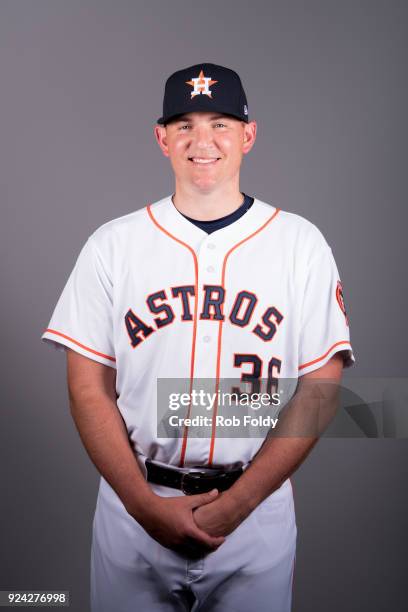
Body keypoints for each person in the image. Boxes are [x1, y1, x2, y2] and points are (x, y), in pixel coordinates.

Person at [41, 62, 355, 611]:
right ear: (161, 138)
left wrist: (240, 504)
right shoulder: (112, 245)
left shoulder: (300, 244)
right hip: (135, 512)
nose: (202, 141)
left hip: (255, 518)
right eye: (185, 125)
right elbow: (87, 386)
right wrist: (142, 506)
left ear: (248, 136)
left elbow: (322, 386)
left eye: (221, 123)